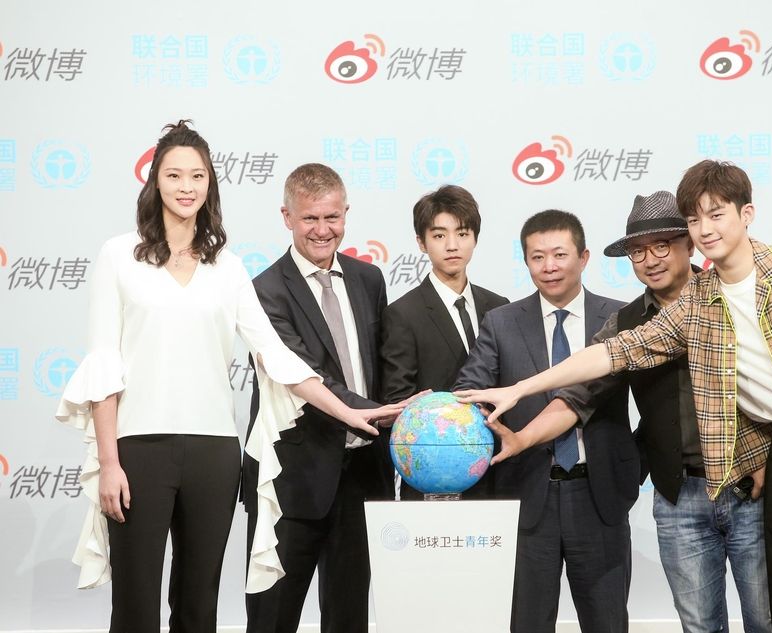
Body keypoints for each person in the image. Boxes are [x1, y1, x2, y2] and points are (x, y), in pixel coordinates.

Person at [457, 161, 772, 633]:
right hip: (768, 465)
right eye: (695, 219)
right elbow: (611, 354)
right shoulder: (692, 305)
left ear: (745, 214)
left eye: (715, 216)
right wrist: (521, 388)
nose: (705, 229)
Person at [55, 122, 400, 633]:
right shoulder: (118, 256)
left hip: (214, 452)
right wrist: (109, 462)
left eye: (197, 175)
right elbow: (104, 365)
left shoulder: (229, 267)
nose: (186, 186)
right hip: (139, 449)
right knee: (134, 607)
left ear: (210, 183)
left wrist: (349, 412)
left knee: (200, 608)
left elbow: (279, 358)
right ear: (155, 181)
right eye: (174, 175)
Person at [526, 191, 770, 631]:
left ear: (689, 243)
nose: (650, 260)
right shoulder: (626, 324)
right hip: (679, 497)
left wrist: (771, 456)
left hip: (750, 486)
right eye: (638, 251)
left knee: (768, 619)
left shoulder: (737, 297)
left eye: (662, 246)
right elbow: (580, 395)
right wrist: (522, 435)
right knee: (699, 625)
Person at [455, 210, 638, 633]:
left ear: (584, 257)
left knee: (608, 622)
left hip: (599, 495)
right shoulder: (502, 322)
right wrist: (473, 416)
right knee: (528, 622)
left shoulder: (620, 318)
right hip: (526, 494)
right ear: (525, 262)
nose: (549, 266)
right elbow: (470, 388)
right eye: (537, 257)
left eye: (559, 254)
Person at [243, 163, 403, 633]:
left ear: (346, 213)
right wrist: (375, 412)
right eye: (310, 218)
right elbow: (307, 374)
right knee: (273, 617)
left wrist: (405, 409)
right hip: (292, 477)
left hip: (363, 473)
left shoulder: (369, 279)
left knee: (349, 616)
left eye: (332, 217)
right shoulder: (264, 291)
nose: (322, 230)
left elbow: (383, 364)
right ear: (287, 217)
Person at [380, 184, 508, 499]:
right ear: (421, 243)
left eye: (462, 233)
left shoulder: (500, 307)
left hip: (497, 471)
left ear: (475, 238)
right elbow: (397, 398)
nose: (452, 245)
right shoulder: (402, 313)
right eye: (439, 235)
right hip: (432, 472)